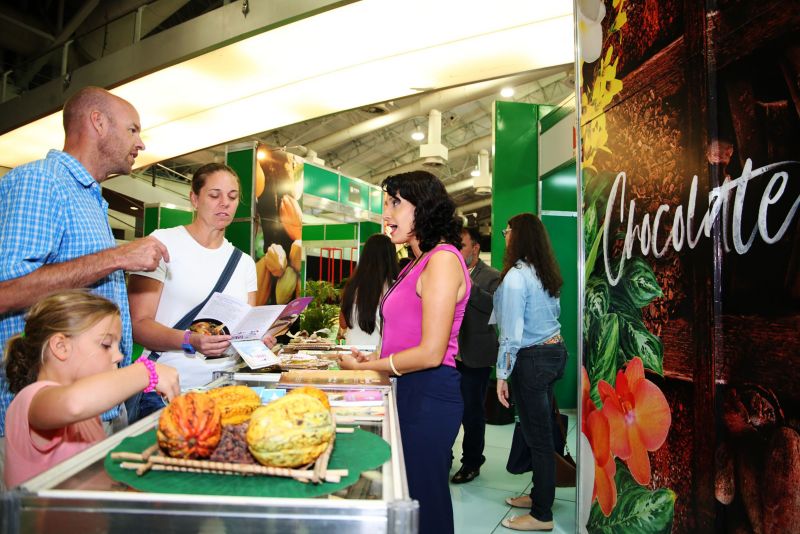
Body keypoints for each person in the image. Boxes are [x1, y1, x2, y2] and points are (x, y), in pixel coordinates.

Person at [0, 86, 168, 486]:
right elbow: (6, 290)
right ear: (97, 122)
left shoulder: (90, 198)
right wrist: (119, 257)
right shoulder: (40, 182)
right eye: (132, 130)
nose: (140, 142)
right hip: (48, 420)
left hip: (97, 412)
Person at [339, 170, 470, 534]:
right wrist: (374, 360)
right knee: (407, 497)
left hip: (428, 392)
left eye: (395, 203)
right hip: (407, 388)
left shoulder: (442, 259)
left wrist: (369, 367)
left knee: (425, 502)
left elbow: (430, 352)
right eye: (386, 203)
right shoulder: (415, 263)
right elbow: (403, 334)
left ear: (424, 207)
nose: (386, 213)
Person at [127, 163, 273, 421]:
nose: (224, 203)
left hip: (222, 391)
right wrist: (189, 340)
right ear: (194, 199)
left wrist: (256, 341)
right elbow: (137, 325)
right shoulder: (162, 244)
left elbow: (240, 333)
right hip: (165, 392)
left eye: (232, 196)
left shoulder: (244, 263)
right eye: (214, 195)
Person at [3, 290, 180, 488]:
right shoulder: (33, 400)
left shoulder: (89, 414)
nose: (119, 356)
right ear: (61, 346)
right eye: (106, 345)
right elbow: (73, 404)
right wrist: (147, 371)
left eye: (118, 346)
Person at [494, 213, 567, 531]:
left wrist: (501, 374)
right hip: (554, 354)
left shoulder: (516, 277)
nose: (505, 236)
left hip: (532, 361)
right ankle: (540, 494)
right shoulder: (545, 272)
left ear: (519, 236)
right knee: (541, 432)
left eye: (507, 231)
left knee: (538, 438)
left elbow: (511, 333)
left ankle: (541, 515)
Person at [450, 226, 501, 484]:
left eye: (462, 246)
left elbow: (495, 308)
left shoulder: (491, 276)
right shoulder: (446, 273)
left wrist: (468, 286)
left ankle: (471, 462)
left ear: (475, 248)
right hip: (448, 354)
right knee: (447, 409)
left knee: (472, 413)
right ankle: (443, 457)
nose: (458, 251)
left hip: (475, 354)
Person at [338, 233, 399, 347]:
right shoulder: (395, 288)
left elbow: (343, 323)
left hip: (351, 353)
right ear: (390, 257)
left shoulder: (352, 285)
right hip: (377, 357)